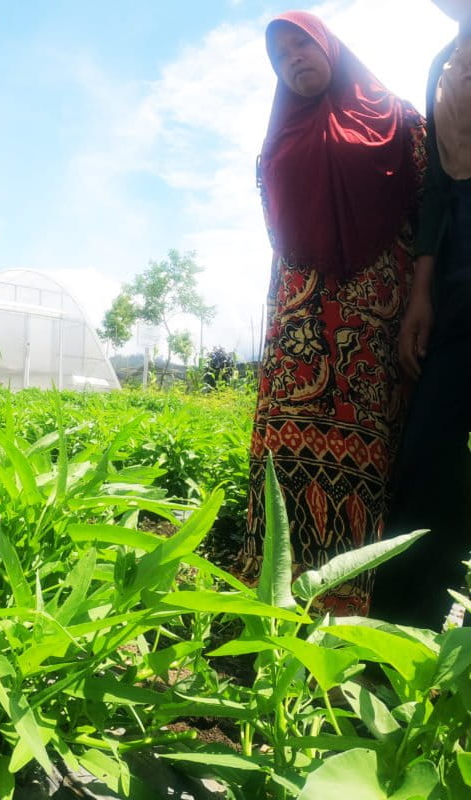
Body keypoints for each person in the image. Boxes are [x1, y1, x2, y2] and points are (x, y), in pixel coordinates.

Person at [238, 12, 425, 616]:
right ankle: (275, 592)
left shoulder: (396, 118)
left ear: (329, 48)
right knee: (283, 453)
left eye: (301, 45)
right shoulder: (278, 140)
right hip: (297, 326)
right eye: (280, 56)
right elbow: (276, 227)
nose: (292, 59)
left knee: (369, 457)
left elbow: (430, 215)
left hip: (371, 328)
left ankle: (349, 606)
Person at [372, 0, 471, 629]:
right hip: (460, 258)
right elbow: (438, 188)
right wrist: (420, 292)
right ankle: (410, 634)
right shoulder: (444, 61)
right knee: (431, 447)